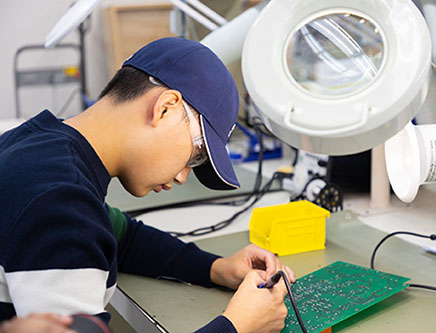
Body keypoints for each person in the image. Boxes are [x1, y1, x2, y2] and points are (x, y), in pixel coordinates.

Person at [0, 37, 295, 332]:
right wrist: (238, 326)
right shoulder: (60, 202)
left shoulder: (41, 148)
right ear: (165, 108)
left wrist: (215, 268)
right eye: (196, 155)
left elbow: (122, 236)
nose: (182, 177)